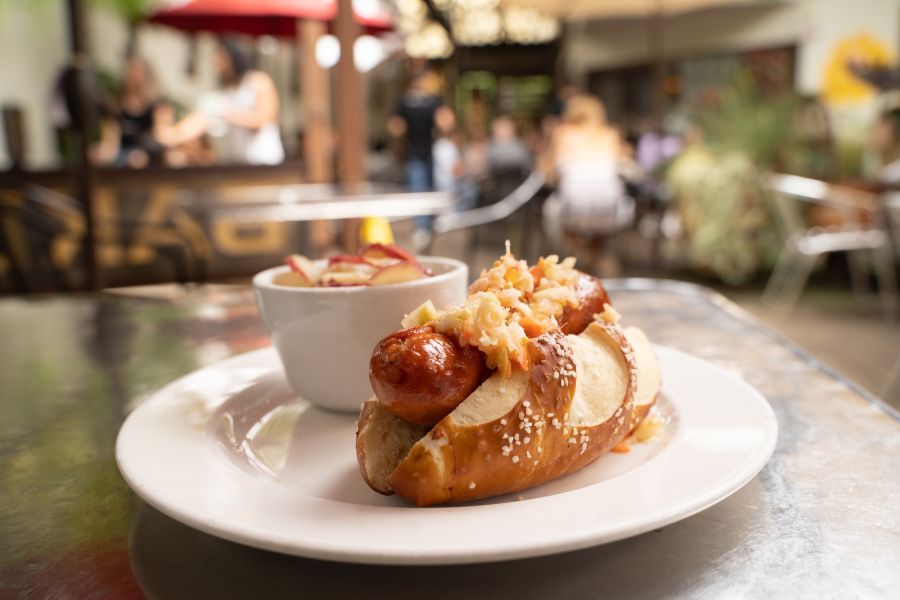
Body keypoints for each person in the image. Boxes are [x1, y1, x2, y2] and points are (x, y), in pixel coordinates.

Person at [160, 38, 284, 165]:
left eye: (220, 58)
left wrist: (228, 115)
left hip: (264, 159)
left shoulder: (258, 81)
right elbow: (202, 118)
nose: (217, 64)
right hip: (240, 163)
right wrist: (176, 135)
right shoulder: (227, 92)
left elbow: (266, 119)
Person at [541, 94, 634, 262]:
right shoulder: (610, 134)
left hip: (572, 207)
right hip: (610, 208)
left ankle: (575, 257)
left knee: (551, 213)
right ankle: (595, 255)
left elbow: (548, 173)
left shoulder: (563, 133)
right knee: (609, 221)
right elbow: (626, 164)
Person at [387, 71, 443, 248]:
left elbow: (395, 128)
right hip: (430, 152)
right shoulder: (434, 100)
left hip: (417, 152)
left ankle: (423, 227)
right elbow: (446, 122)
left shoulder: (404, 102)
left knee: (419, 190)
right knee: (428, 189)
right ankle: (427, 226)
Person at [91, 56, 170, 168]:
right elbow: (110, 141)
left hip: (150, 153)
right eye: (130, 71)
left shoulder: (158, 103)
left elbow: (162, 134)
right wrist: (102, 152)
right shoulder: (117, 105)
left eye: (137, 72)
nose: (133, 76)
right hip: (123, 153)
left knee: (138, 158)